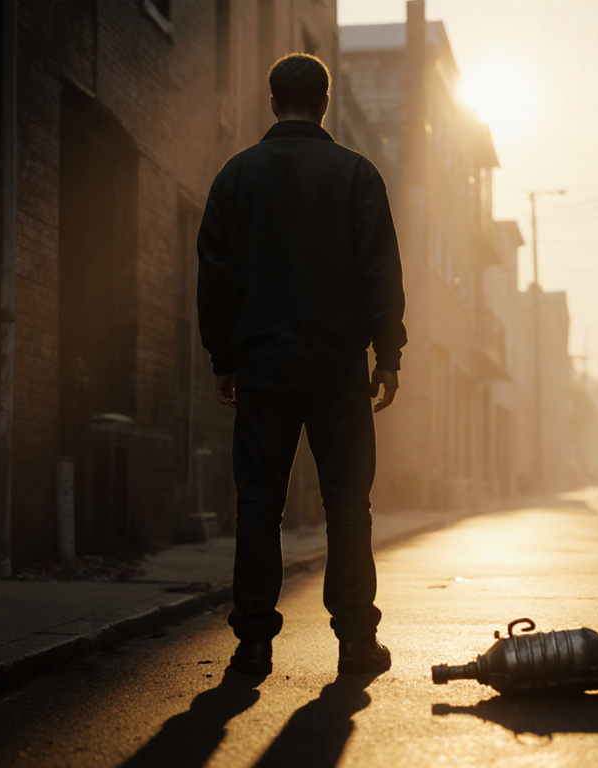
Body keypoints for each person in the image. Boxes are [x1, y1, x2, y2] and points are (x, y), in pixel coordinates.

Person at [196, 53, 407, 676]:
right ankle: (355, 642)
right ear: (325, 104)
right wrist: (387, 353)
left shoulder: (235, 176)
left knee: (259, 505)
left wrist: (223, 359)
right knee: (348, 503)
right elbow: (381, 273)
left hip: (263, 368)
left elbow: (215, 276)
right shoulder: (357, 175)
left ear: (271, 103)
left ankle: (254, 644)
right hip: (337, 368)